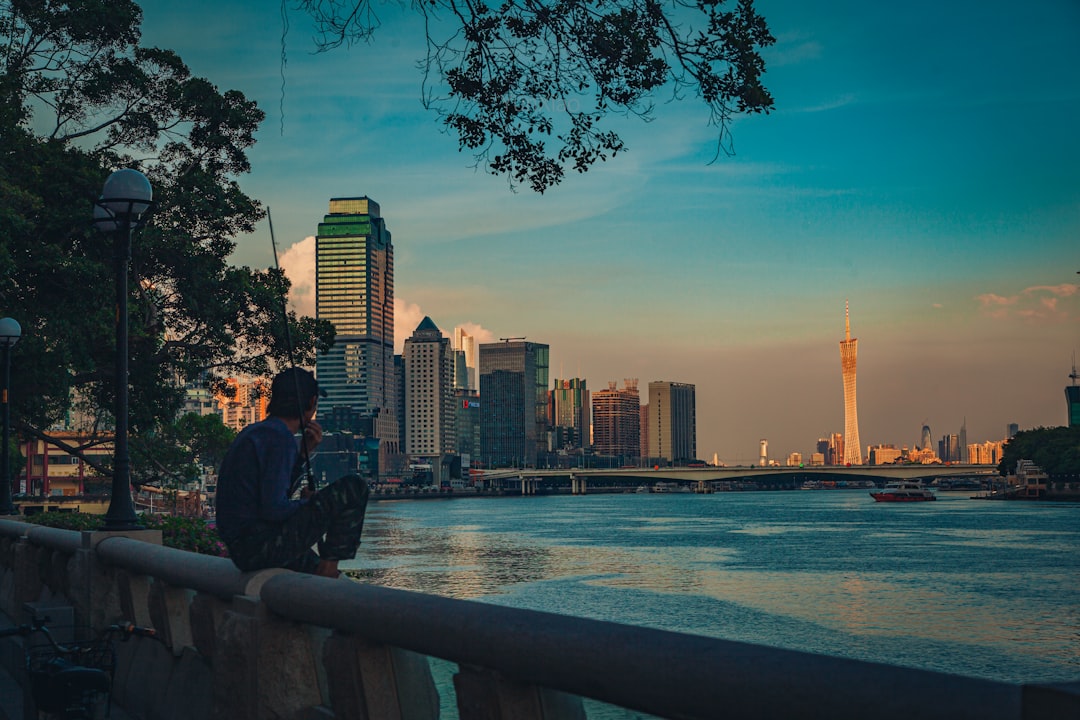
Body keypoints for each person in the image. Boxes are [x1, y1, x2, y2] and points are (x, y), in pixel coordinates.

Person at [215, 368, 370, 578]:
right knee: (354, 487)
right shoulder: (280, 439)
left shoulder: (255, 432)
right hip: (260, 546)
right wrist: (308, 503)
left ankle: (324, 570)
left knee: (311, 567)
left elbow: (272, 492)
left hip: (244, 550)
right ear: (311, 403)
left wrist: (302, 455)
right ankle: (329, 569)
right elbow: (274, 509)